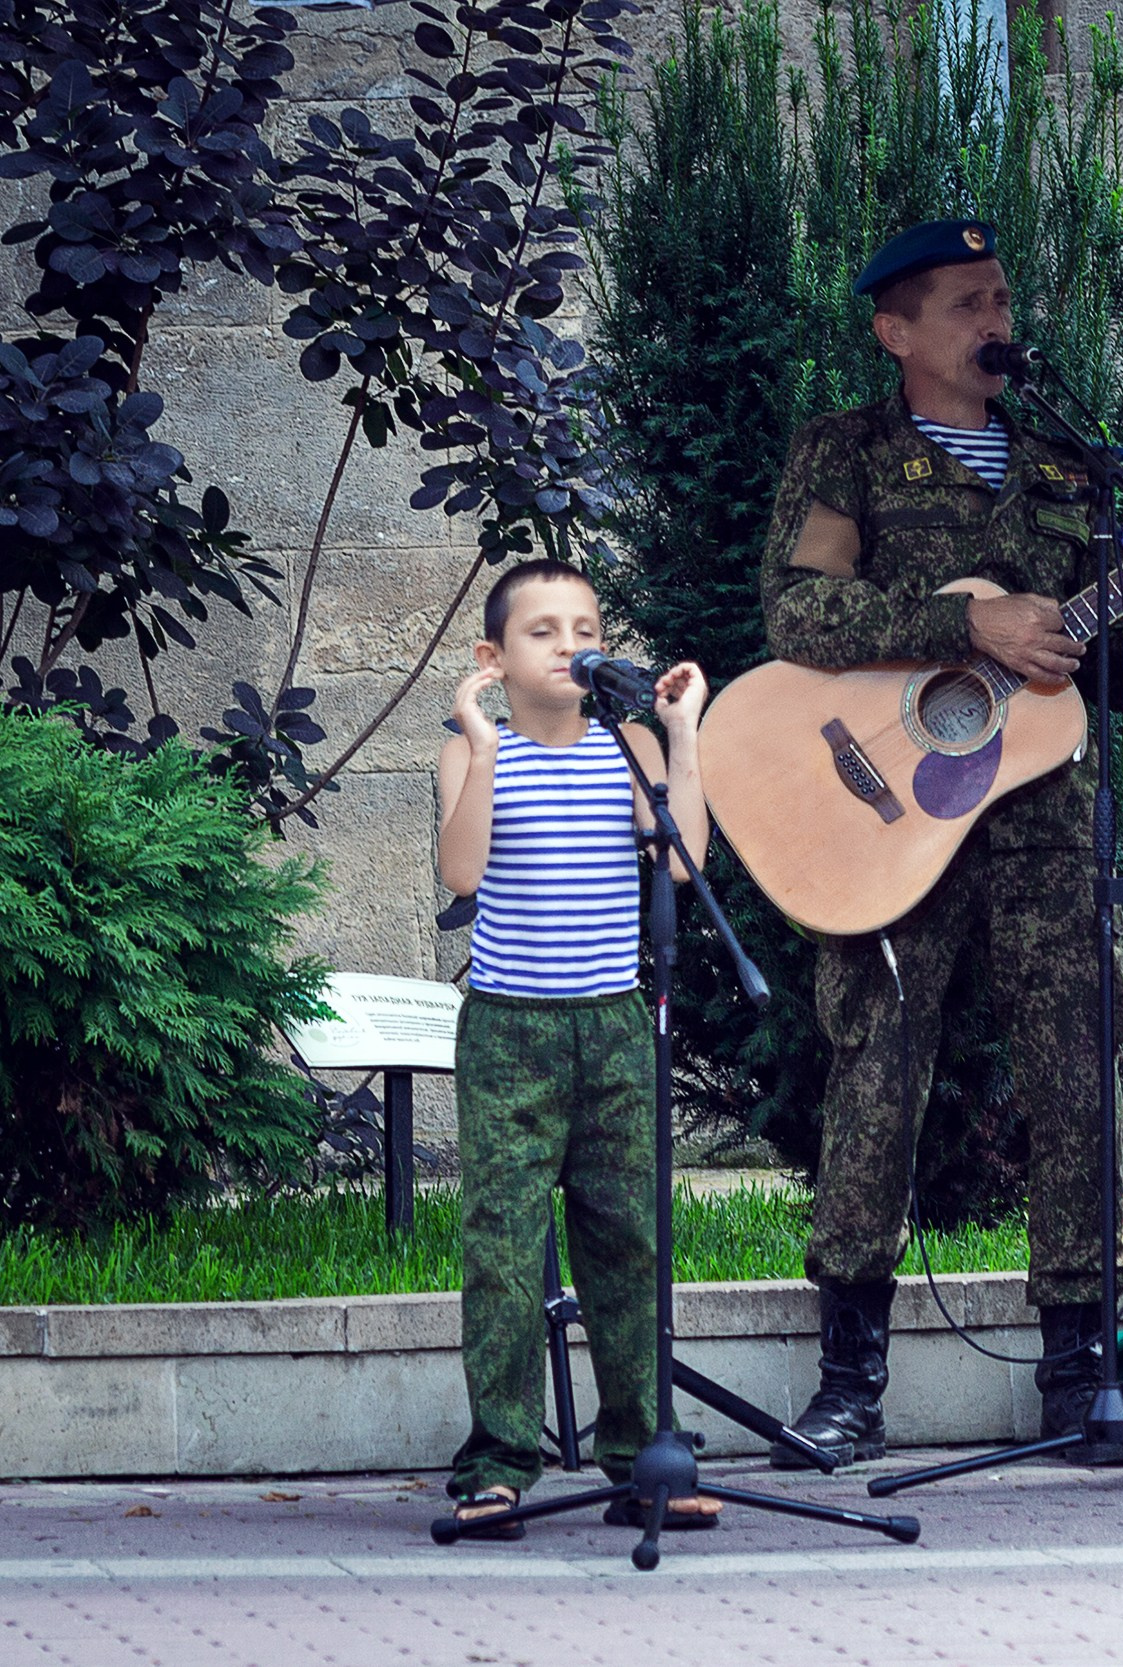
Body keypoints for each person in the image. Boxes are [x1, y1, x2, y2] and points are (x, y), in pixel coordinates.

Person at [756, 219, 1123, 1470]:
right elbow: (798, 609)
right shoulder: (849, 451)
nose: (995, 315)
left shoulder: (1067, 464)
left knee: (1076, 1077)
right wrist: (966, 622)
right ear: (897, 332)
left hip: (1038, 817)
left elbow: (1118, 677)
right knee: (877, 1071)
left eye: (1001, 293)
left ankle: (1080, 1376)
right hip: (883, 809)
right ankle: (849, 1380)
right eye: (964, 301)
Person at [434, 558, 712, 1536]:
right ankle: (499, 1461)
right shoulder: (477, 751)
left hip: (614, 1021)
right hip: (510, 1028)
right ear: (493, 657)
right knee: (503, 1248)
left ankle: (642, 1454)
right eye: (542, 630)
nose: (568, 645)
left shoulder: (629, 744)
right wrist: (478, 740)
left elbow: (683, 858)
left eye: (583, 628)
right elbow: (461, 871)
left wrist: (681, 735)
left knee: (627, 1243)